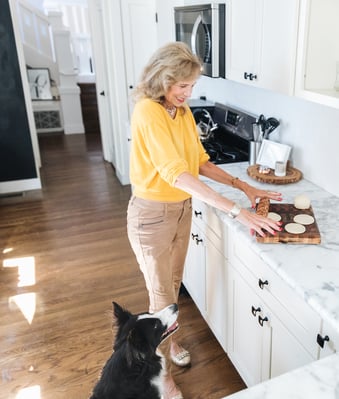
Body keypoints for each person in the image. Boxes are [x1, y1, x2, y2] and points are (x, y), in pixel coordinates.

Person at [127, 42, 282, 399]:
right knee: (160, 298)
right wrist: (234, 209)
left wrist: (244, 186)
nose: (188, 93)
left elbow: (199, 161)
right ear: (162, 79)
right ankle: (161, 377)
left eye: (192, 86)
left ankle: (171, 341)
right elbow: (174, 173)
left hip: (181, 211)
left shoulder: (180, 114)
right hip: (151, 217)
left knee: (174, 285)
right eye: (182, 85)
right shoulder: (147, 112)